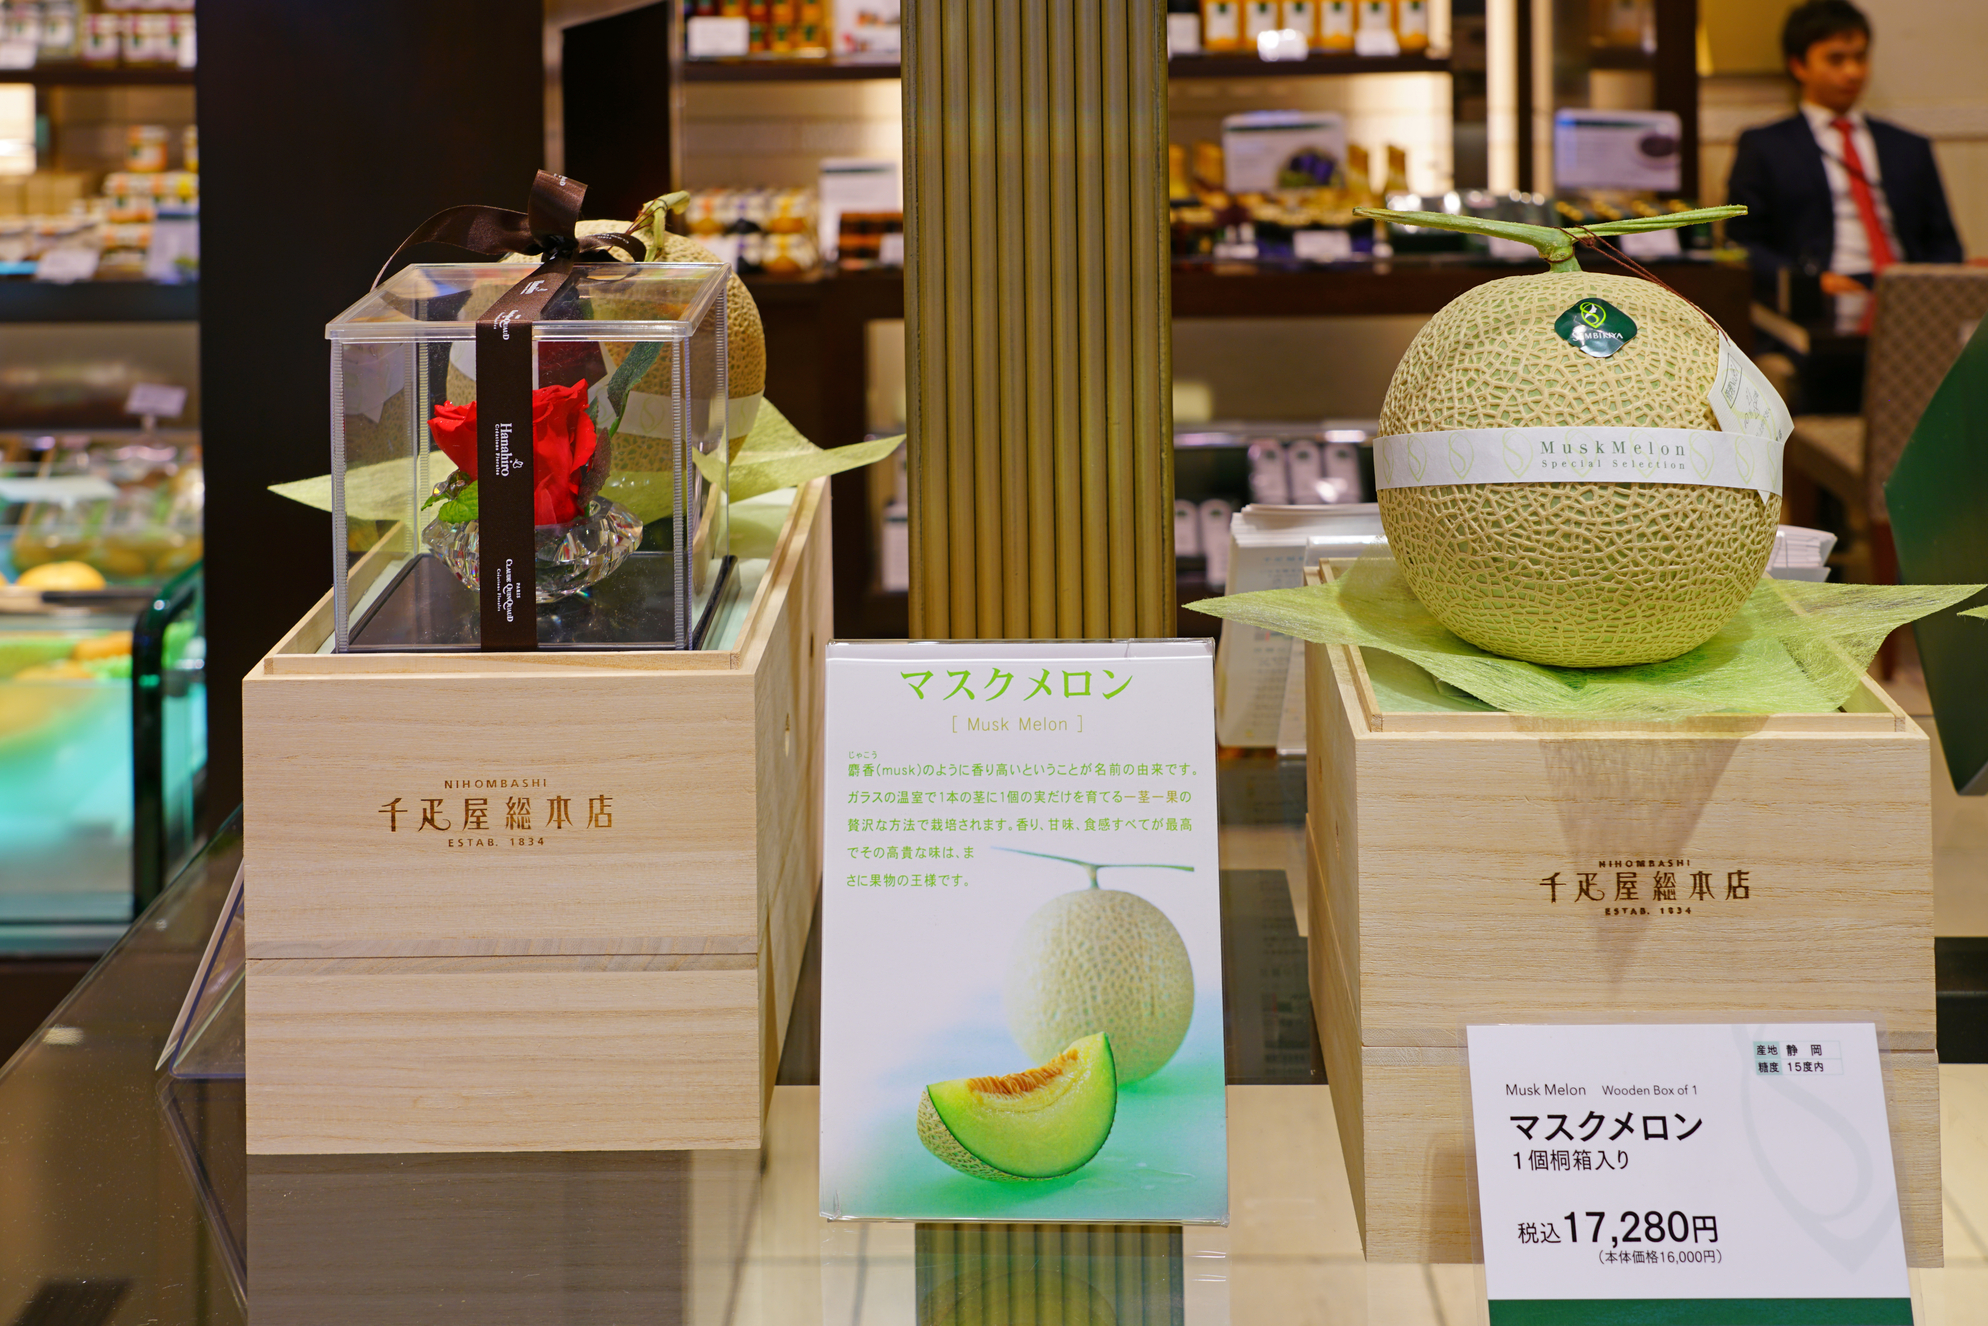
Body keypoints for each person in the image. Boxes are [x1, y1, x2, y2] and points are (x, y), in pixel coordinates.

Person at [1726, 0, 1964, 295]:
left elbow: (1945, 244)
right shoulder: (1765, 146)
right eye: (1836, 60)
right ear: (1799, 66)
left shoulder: (1909, 146)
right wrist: (1811, 284)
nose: (1853, 72)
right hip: (1822, 289)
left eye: (1860, 58)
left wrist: (1924, 285)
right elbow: (1742, 246)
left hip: (1905, 289)